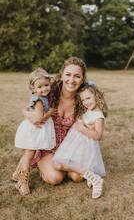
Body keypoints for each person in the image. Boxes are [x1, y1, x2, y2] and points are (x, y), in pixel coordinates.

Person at [18, 57, 87, 189]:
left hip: (69, 146)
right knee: (55, 178)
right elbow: (30, 108)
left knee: (77, 177)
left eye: (77, 76)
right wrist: (26, 113)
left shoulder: (84, 98)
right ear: (61, 75)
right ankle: (40, 163)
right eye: (68, 75)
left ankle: (62, 166)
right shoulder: (48, 91)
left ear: (82, 79)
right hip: (47, 144)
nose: (71, 80)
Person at [52, 82, 108, 199]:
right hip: (76, 146)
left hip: (84, 147)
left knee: (58, 164)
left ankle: (95, 178)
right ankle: (91, 175)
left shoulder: (98, 116)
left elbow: (98, 136)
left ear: (96, 96)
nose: (86, 102)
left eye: (89, 98)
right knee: (57, 164)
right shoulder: (89, 111)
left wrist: (82, 128)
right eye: (83, 100)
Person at [13, 68, 56, 196]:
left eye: (46, 85)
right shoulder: (39, 101)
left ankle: (17, 174)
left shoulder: (39, 96)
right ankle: (22, 181)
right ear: (33, 88)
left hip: (35, 130)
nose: (44, 89)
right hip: (34, 130)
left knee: (29, 152)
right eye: (40, 86)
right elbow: (38, 119)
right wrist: (49, 113)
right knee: (29, 154)